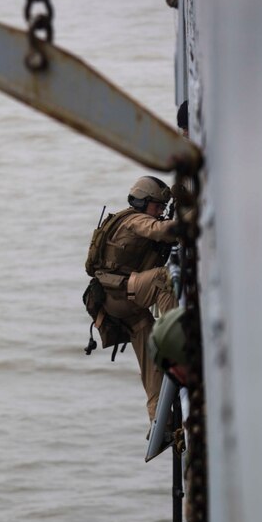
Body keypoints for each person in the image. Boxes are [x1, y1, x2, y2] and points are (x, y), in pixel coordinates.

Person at [86, 176, 180, 424]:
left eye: (162, 207)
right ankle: (176, 339)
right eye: (157, 206)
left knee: (152, 367)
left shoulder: (125, 218)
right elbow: (158, 230)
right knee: (163, 278)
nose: (160, 211)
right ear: (143, 202)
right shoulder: (135, 220)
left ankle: (159, 421)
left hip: (120, 304)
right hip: (123, 295)